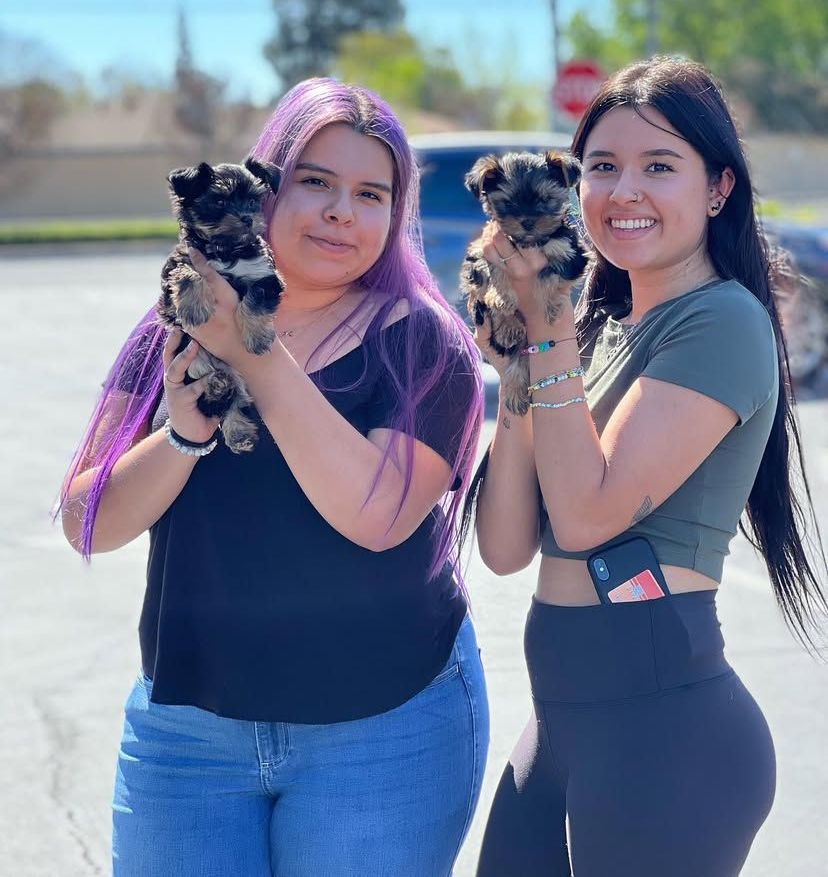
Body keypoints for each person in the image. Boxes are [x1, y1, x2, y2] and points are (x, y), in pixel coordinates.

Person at [60, 78, 488, 877]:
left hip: (384, 726)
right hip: (189, 734)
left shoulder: (424, 345)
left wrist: (253, 349)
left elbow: (376, 515)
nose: (341, 212)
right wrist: (183, 433)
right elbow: (89, 518)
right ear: (265, 186)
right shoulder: (170, 331)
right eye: (315, 181)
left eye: (371, 194)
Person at [469, 56, 827, 877]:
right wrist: (520, 364)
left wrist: (546, 320)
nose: (623, 190)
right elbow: (505, 544)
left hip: (665, 738)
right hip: (561, 724)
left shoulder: (723, 320)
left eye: (659, 166)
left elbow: (589, 517)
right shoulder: (595, 330)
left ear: (718, 188)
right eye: (602, 166)